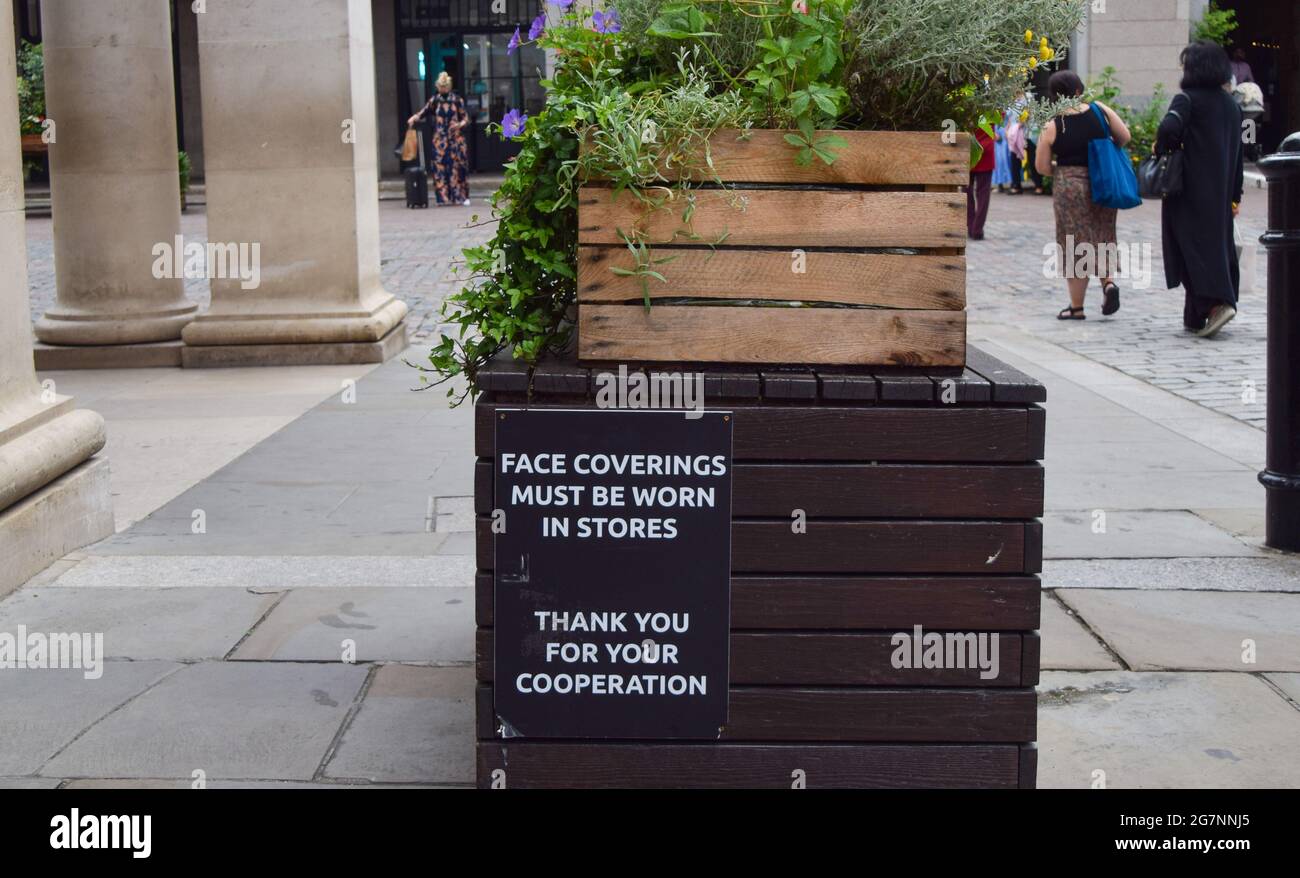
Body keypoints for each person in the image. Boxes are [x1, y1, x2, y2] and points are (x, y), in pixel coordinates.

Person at [1156, 41, 1245, 338]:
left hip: (1188, 189)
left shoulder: (1187, 100)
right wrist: (1235, 195)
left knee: (1186, 247)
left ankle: (1216, 304)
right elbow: (1238, 157)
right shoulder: (1231, 106)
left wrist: (1164, 148)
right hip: (1219, 194)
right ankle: (1195, 315)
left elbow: (1168, 130)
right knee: (1214, 246)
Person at [1036, 70, 1131, 320]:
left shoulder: (1053, 124)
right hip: (1103, 180)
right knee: (1102, 233)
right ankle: (1108, 283)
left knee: (1073, 243)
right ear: (1078, 90)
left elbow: (1042, 167)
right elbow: (1125, 136)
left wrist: (1060, 168)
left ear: (1054, 96)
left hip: (1069, 186)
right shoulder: (1099, 110)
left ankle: (1076, 307)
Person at [406, 71, 471, 207]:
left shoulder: (457, 100)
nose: (442, 89)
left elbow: (466, 118)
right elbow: (424, 112)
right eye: (440, 86)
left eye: (445, 86)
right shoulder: (435, 100)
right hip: (440, 140)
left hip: (455, 140)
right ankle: (443, 197)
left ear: (449, 86)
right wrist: (414, 118)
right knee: (439, 168)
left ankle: (460, 196)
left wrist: (459, 124)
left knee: (457, 168)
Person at [968, 126, 995, 240]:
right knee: (983, 193)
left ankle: (971, 227)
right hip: (986, 148)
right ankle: (977, 229)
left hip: (968, 147)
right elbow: (1001, 116)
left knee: (966, 192)